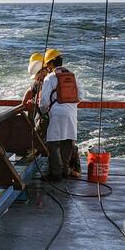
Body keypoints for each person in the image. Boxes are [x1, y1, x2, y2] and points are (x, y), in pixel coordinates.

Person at [38, 49, 83, 181]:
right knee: (67, 141)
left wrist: (44, 112)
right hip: (71, 112)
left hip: (57, 112)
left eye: (47, 65)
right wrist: (70, 106)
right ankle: (65, 171)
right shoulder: (73, 76)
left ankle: (56, 174)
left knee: (53, 143)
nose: (47, 67)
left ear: (51, 63)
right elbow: (80, 95)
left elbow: (44, 100)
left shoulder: (50, 78)